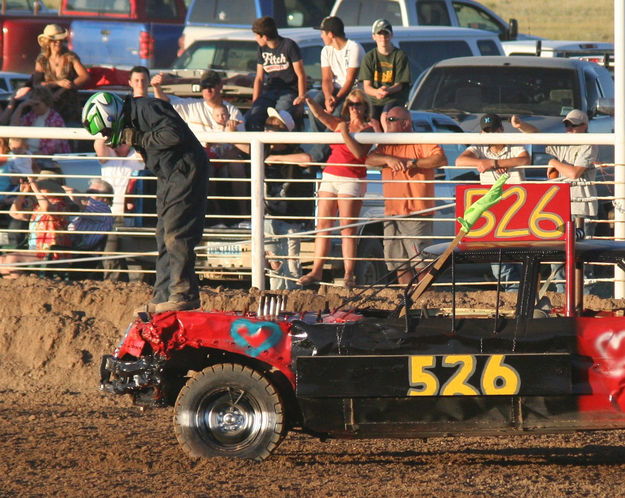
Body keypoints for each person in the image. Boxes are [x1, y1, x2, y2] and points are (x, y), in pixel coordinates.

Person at [83, 91, 208, 312]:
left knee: (176, 233)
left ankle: (184, 294)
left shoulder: (147, 108)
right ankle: (163, 296)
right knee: (163, 235)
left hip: (186, 171)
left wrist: (138, 138)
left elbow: (174, 134)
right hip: (169, 176)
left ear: (111, 116)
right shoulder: (133, 116)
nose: (107, 136)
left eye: (105, 130)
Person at [272, 89, 373, 288]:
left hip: (352, 178)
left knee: (347, 229)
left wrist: (344, 133)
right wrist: (308, 99)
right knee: (323, 227)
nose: (354, 108)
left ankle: (349, 274)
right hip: (331, 175)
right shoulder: (339, 123)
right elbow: (320, 115)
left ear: (365, 107)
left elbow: (359, 153)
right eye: (351, 104)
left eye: (358, 104)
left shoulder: (368, 129)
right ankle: (316, 270)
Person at [512, 109, 598, 292]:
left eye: (573, 125)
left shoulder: (589, 144)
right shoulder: (563, 142)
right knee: (558, 259)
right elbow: (537, 135)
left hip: (582, 207)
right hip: (560, 207)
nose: (570, 129)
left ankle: (585, 302)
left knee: (582, 259)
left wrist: (554, 163)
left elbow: (574, 173)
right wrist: (521, 126)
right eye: (567, 125)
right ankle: (561, 300)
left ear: (585, 126)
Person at [365, 105, 447, 285]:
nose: (387, 124)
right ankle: (408, 303)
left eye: (391, 120)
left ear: (405, 123)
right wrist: (388, 159)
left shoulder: (420, 140)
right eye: (385, 120)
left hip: (417, 212)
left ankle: (424, 301)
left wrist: (414, 163)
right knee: (399, 264)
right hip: (392, 213)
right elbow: (368, 159)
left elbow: (440, 159)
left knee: (422, 264)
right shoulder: (386, 145)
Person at [152, 70, 249, 217]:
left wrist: (232, 141)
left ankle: (243, 215)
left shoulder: (232, 110)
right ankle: (214, 215)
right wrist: (157, 87)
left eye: (211, 86)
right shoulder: (192, 105)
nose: (208, 90)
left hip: (226, 157)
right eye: (204, 86)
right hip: (200, 157)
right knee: (204, 167)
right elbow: (164, 103)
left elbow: (243, 144)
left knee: (237, 165)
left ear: (220, 86)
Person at [456, 113, 530, 290]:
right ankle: (516, 296)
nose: (490, 134)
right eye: (486, 131)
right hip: (494, 210)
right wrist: (491, 162)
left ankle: (519, 296)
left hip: (516, 206)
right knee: (499, 264)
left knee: (518, 257)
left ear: (501, 129)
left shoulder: (514, 144)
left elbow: (525, 159)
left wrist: (494, 163)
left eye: (493, 130)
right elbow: (460, 161)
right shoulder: (480, 147)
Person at [263, 107, 316, 289]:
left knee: (292, 263)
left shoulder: (295, 150)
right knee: (274, 261)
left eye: (275, 126)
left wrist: (275, 159)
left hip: (291, 218)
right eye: (268, 125)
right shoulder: (260, 149)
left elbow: (306, 159)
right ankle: (277, 298)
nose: (269, 130)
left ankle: (294, 301)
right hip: (269, 214)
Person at [308, 15, 365, 162]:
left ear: (331, 34)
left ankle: (317, 157)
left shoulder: (354, 48)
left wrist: (336, 99)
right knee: (314, 107)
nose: (321, 36)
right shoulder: (326, 51)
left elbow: (350, 80)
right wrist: (328, 97)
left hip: (353, 91)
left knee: (338, 113)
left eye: (323, 32)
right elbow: (326, 78)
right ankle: (322, 147)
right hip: (335, 89)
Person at [0, 176, 71, 278]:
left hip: (50, 252)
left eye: (40, 188)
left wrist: (35, 188)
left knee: (12, 259)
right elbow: (14, 213)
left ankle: (22, 288)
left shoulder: (60, 205)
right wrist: (22, 193)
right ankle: (13, 290)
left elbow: (47, 208)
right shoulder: (37, 208)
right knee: (2, 260)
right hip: (35, 250)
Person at [246, 16, 307, 131]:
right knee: (253, 116)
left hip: (289, 91)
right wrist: (255, 103)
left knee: (279, 119)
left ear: (265, 37)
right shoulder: (261, 50)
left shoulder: (289, 45)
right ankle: (260, 147)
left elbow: (301, 74)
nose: (256, 39)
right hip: (270, 91)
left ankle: (280, 147)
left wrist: (301, 100)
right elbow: (259, 78)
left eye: (256, 36)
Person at [33, 24, 89, 123]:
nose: (58, 42)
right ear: (47, 42)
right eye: (54, 40)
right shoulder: (42, 60)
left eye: (61, 40)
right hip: (49, 108)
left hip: (70, 107)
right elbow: (36, 84)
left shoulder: (70, 57)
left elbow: (84, 76)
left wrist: (64, 88)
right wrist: (57, 83)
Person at [359, 18, 411, 124]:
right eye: (379, 34)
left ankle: (388, 139)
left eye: (386, 34)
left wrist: (386, 91)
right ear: (374, 36)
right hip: (374, 100)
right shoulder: (369, 57)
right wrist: (377, 92)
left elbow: (399, 85)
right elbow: (367, 87)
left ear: (391, 35)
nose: (383, 37)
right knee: (372, 121)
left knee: (385, 117)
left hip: (394, 98)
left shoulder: (399, 55)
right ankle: (378, 140)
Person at [7, 86, 71, 156]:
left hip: (48, 159)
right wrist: (21, 106)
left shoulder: (55, 120)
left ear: (46, 102)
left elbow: (50, 149)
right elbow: (14, 128)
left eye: (37, 104)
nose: (34, 107)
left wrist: (30, 157)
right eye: (31, 104)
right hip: (27, 155)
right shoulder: (31, 116)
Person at [66, 179, 114, 251]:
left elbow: (73, 193)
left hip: (82, 254)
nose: (87, 195)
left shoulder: (104, 209)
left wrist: (55, 188)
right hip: (73, 248)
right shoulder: (88, 211)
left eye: (92, 192)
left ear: (105, 199)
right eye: (87, 192)